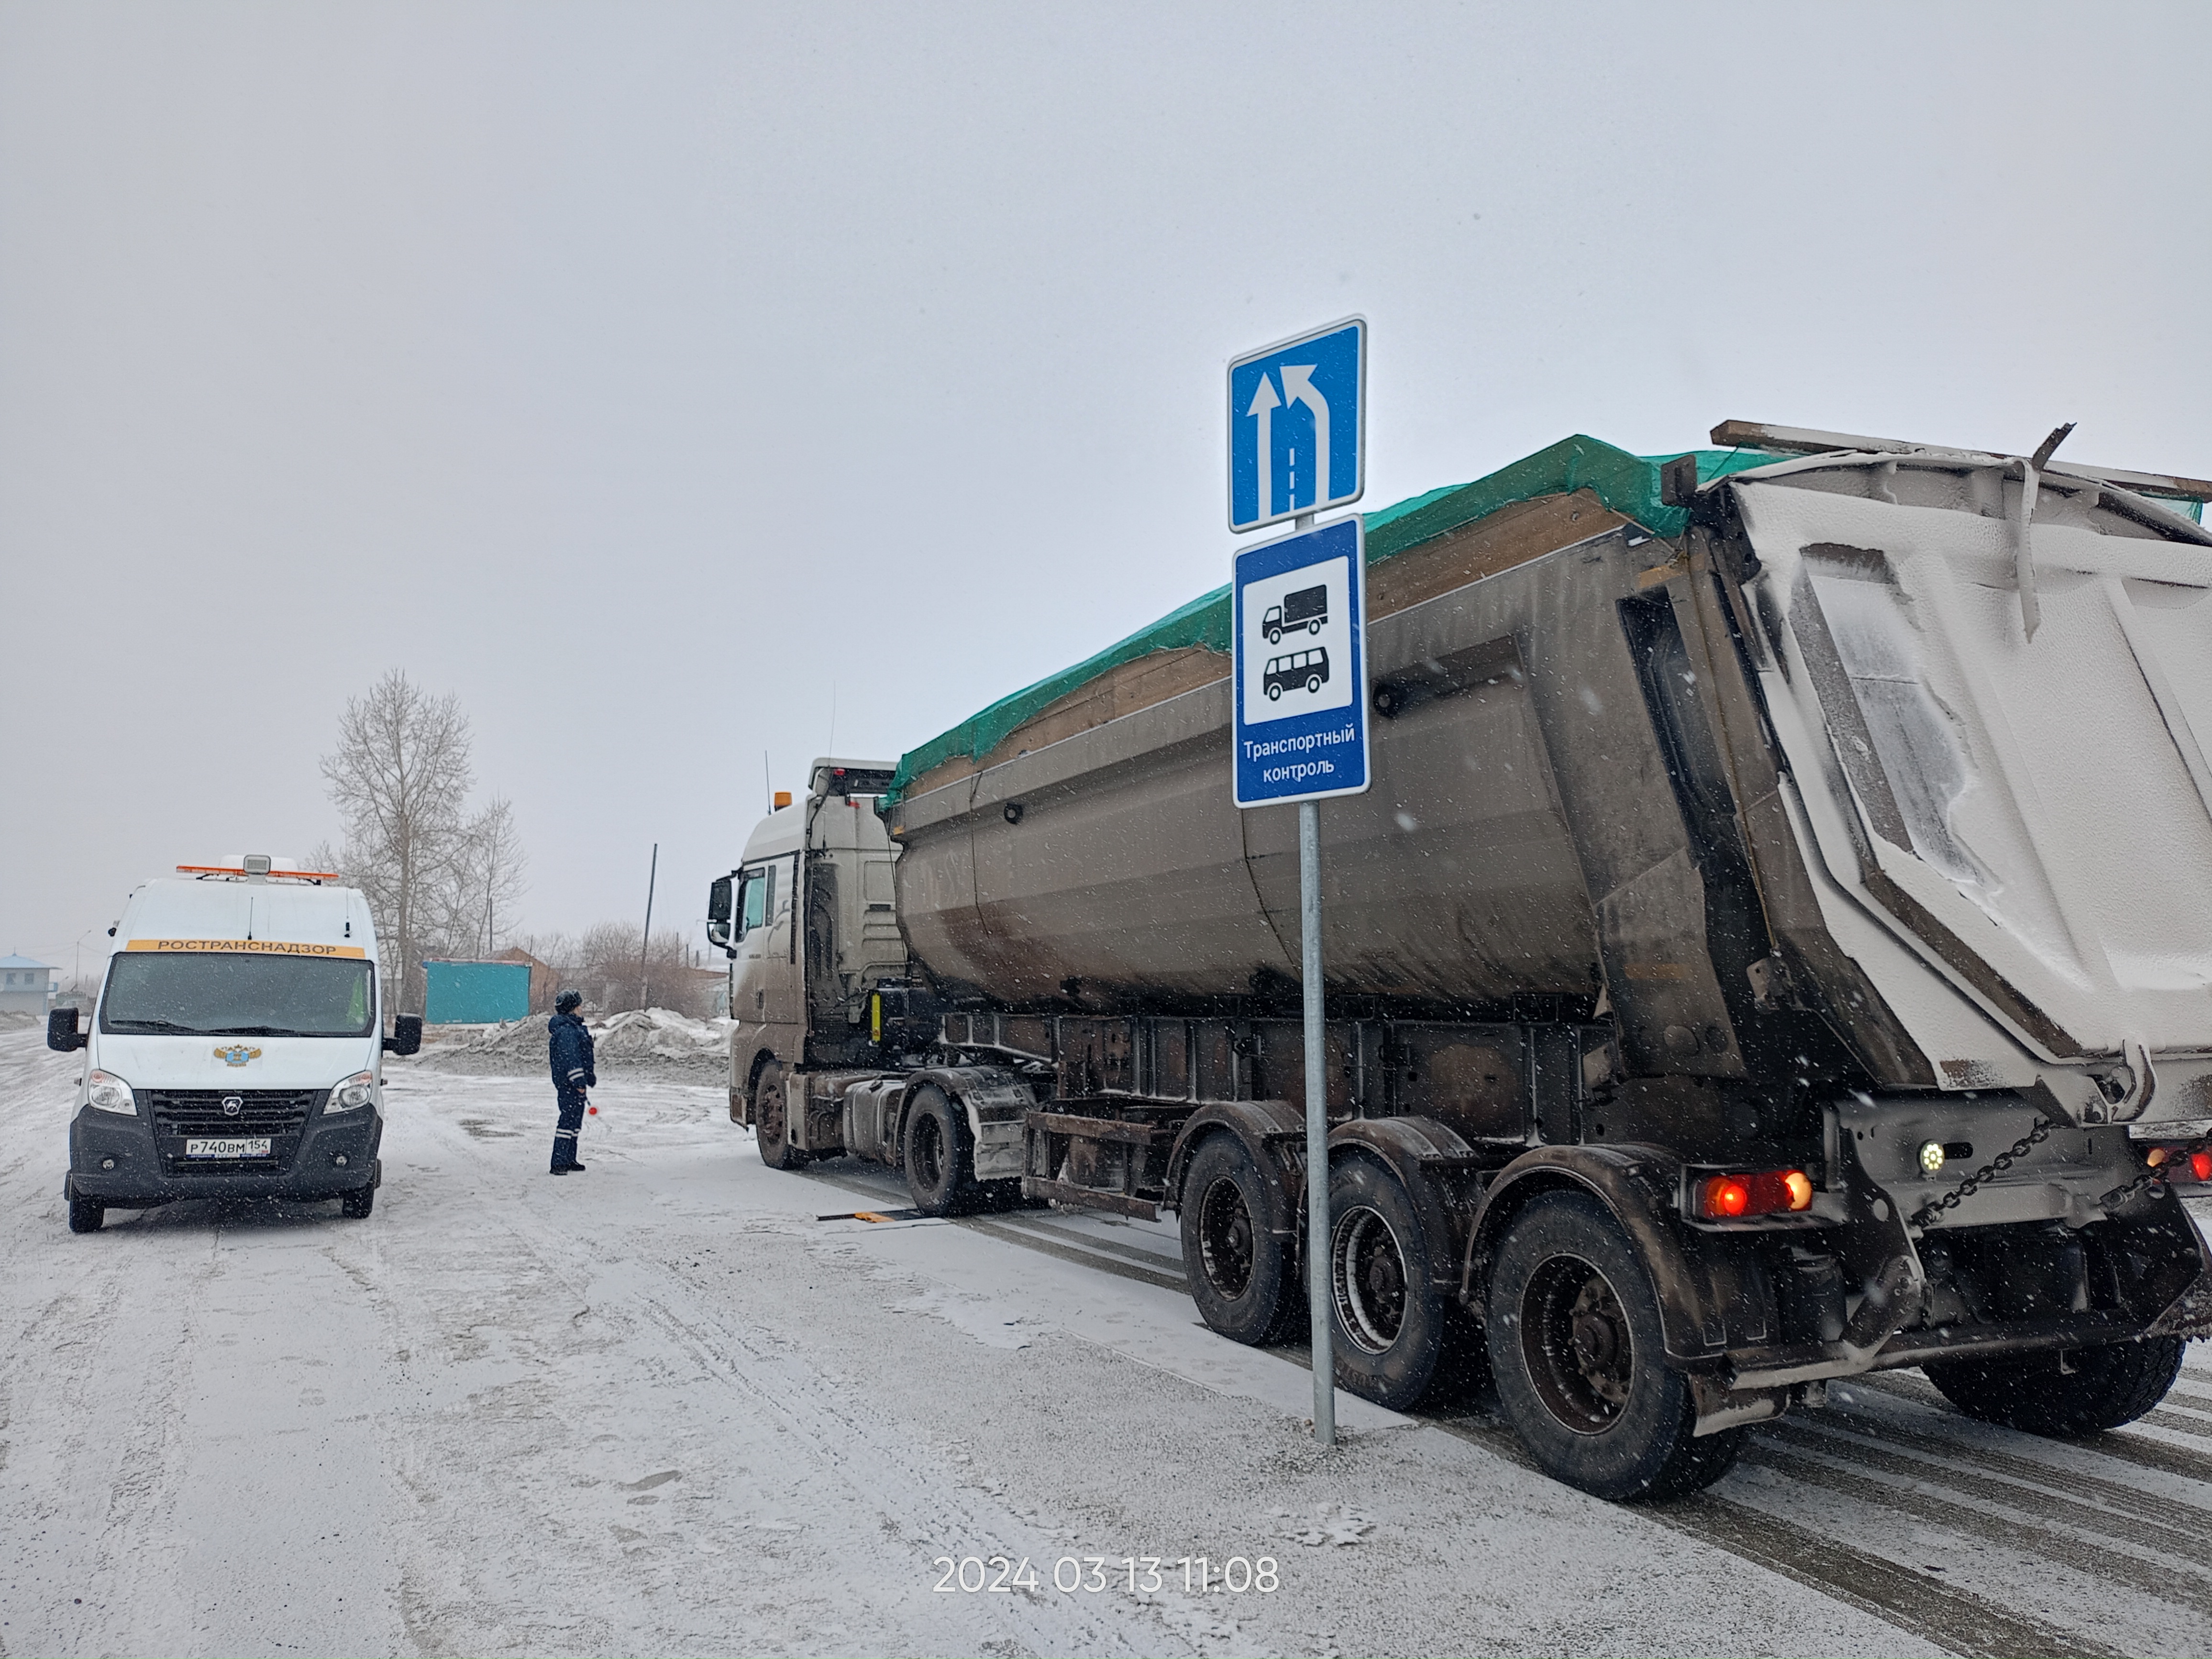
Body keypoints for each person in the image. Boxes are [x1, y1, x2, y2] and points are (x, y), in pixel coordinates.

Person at [547, 989, 596, 1174]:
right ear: (572, 1008)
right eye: (579, 1005)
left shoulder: (573, 1028)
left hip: (575, 1085)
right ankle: (558, 1162)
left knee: (575, 1122)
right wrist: (579, 1082)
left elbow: (582, 1055)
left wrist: (588, 1076)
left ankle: (569, 1159)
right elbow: (571, 1060)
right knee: (567, 1121)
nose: (581, 1008)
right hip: (569, 1085)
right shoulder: (567, 1032)